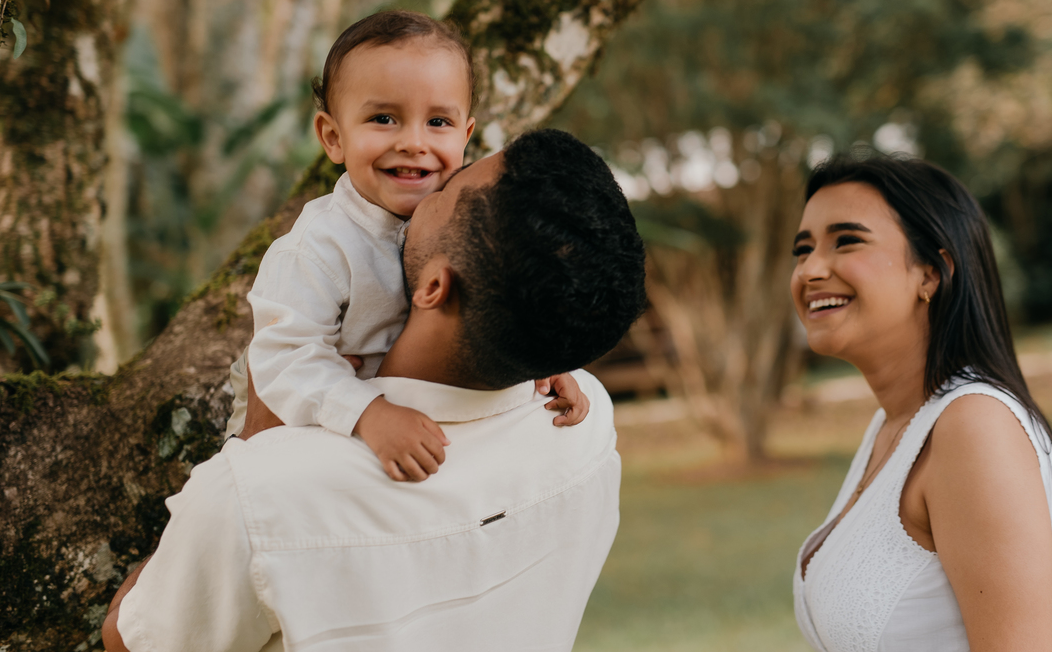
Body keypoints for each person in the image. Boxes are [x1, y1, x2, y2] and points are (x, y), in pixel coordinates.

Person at [102, 128, 649, 652]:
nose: (434, 178)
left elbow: (132, 641)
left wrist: (254, 440)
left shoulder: (261, 494)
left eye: (451, 189)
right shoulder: (588, 426)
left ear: (435, 287)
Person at [233, 10, 586, 483]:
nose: (414, 142)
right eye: (384, 118)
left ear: (466, 135)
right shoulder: (318, 248)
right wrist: (369, 413)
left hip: (427, 435)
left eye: (438, 121)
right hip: (317, 439)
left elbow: (504, 304)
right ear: (334, 137)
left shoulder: (471, 225)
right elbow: (282, 360)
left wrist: (538, 365)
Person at [790, 153, 1052, 652]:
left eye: (847, 241)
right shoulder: (892, 426)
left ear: (931, 272)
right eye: (802, 249)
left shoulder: (975, 426)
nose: (811, 269)